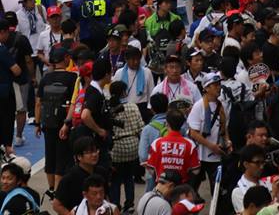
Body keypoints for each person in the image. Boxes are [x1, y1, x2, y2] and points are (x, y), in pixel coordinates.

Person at [35, 44, 78, 194]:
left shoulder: (46, 78)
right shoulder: (73, 78)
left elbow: (39, 102)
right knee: (62, 156)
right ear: (66, 58)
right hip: (63, 123)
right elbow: (75, 101)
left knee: (50, 155)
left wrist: (37, 123)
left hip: (48, 123)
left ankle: (51, 188)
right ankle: (59, 192)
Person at [187, 73, 230, 195]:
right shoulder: (198, 106)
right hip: (199, 156)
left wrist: (228, 141)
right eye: (215, 85)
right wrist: (212, 146)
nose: (218, 87)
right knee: (192, 190)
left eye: (219, 84)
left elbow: (224, 128)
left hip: (217, 157)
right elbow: (193, 133)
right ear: (206, 88)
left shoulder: (222, 105)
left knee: (217, 191)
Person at [108, 80, 144, 215]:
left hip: (117, 147)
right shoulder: (133, 106)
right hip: (133, 146)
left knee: (116, 179)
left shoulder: (110, 109)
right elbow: (141, 126)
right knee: (129, 177)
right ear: (124, 92)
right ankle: (129, 204)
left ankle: (115, 204)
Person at [53, 138, 108, 215]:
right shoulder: (70, 178)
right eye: (89, 152)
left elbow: (106, 196)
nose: (94, 155)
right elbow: (57, 205)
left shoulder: (102, 172)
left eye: (95, 151)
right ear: (79, 156)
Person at [145, 108, 200, 184]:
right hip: (182, 188)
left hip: (162, 188)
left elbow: (151, 168)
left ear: (167, 123)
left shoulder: (157, 143)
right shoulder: (190, 145)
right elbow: (196, 170)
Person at [0, 18, 22, 156]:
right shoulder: (2, 50)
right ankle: (7, 146)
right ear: (3, 32)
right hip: (4, 91)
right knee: (7, 119)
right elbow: (16, 70)